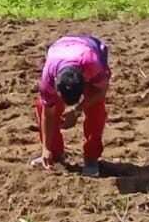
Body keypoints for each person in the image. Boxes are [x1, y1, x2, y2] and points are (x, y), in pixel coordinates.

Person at [33, 34, 111, 177]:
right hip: (61, 48)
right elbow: (47, 111)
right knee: (42, 104)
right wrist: (46, 147)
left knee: (96, 108)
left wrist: (77, 110)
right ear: (55, 86)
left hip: (89, 48)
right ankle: (54, 154)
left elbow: (101, 91)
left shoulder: (93, 65)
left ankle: (91, 158)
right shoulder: (48, 77)